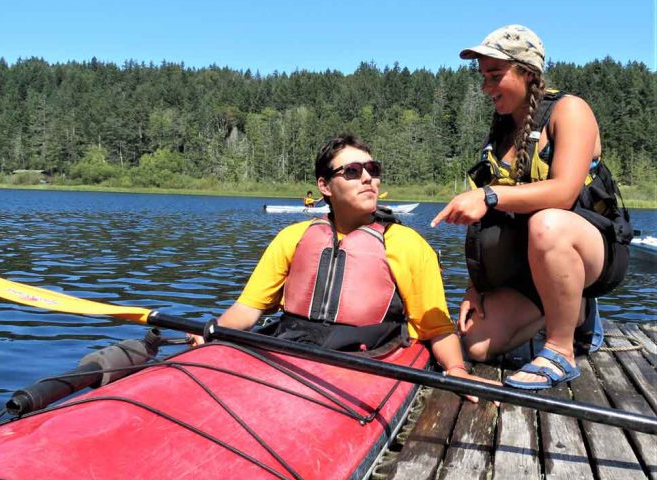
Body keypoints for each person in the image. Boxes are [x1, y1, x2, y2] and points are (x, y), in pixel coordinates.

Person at [198, 134, 496, 401]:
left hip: (367, 354)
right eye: (352, 172)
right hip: (290, 345)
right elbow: (248, 309)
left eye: (373, 170)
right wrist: (211, 334)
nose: (368, 178)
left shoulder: (407, 245)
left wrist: (456, 368)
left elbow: (437, 327)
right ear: (324, 186)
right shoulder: (293, 238)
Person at [431, 25, 632, 390]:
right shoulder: (501, 131)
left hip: (589, 249)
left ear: (527, 72)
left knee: (548, 224)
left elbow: (563, 192)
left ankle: (561, 349)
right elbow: (483, 231)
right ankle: (571, 308)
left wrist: (488, 194)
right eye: (483, 77)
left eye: (495, 75)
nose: (486, 87)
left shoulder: (570, 110)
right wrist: (474, 290)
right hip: (529, 267)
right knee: (476, 344)